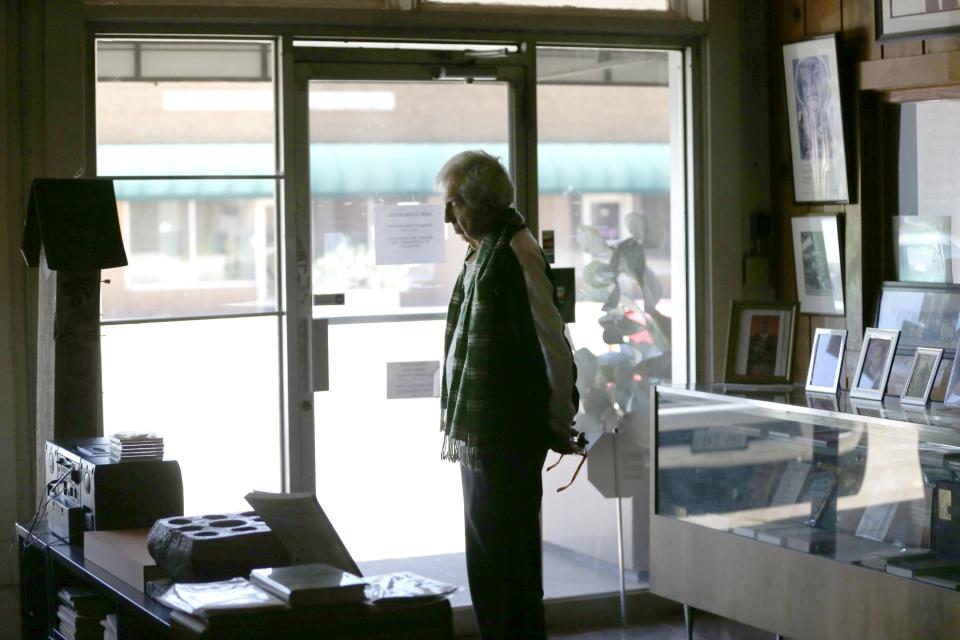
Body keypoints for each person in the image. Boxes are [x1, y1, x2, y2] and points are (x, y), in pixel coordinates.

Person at [436, 150, 582, 639]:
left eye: (455, 203)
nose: (447, 216)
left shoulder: (515, 249)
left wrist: (559, 421)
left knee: (508, 561)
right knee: (488, 559)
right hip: (482, 434)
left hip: (507, 432)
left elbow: (552, 344)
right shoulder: (484, 251)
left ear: (483, 203)